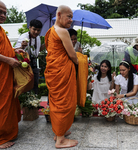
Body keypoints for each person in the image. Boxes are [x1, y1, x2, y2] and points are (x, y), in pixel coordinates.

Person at [44, 5, 78, 148]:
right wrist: (80, 62)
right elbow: (72, 55)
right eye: (68, 16)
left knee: (57, 102)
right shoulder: (63, 31)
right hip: (62, 71)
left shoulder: (50, 31)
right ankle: (60, 140)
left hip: (54, 71)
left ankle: (60, 131)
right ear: (59, 15)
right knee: (64, 102)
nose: (71, 20)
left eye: (71, 17)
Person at [0, 1, 23, 148]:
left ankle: (7, 131)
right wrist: (8, 59)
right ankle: (1, 138)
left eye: (5, 13)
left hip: (6, 72)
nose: (3, 15)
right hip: (2, 71)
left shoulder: (1, 30)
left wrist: (14, 51)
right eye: (0, 12)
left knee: (8, 101)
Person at [15, 19, 45, 94]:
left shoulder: (38, 38)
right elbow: (15, 50)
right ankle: (25, 103)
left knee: (35, 85)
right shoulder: (24, 37)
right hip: (24, 65)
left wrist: (47, 43)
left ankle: (34, 102)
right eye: (34, 29)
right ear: (30, 27)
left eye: (38, 30)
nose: (36, 32)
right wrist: (22, 46)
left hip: (34, 64)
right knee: (26, 86)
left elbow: (38, 50)